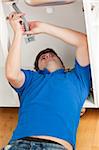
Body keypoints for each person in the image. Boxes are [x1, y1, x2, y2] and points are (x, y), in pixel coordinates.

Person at [4, 12, 91, 150]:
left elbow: (84, 42)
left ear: (64, 66)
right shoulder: (31, 79)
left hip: (56, 146)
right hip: (19, 144)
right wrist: (18, 34)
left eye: (52, 55)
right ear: (36, 68)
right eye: (42, 57)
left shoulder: (77, 78)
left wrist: (44, 28)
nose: (47, 55)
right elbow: (12, 75)